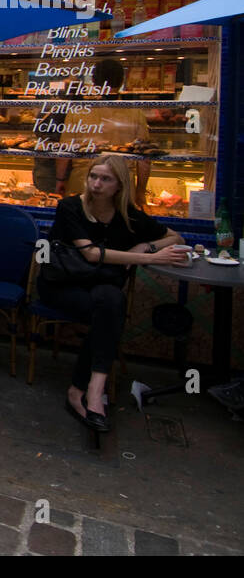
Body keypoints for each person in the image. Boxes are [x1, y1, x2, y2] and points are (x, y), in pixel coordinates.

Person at [41, 154, 186, 433]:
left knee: (109, 302)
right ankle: (88, 392)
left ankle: (87, 390)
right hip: (62, 286)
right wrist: (152, 259)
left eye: (105, 179)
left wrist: (145, 247)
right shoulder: (70, 207)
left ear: (119, 185)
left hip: (101, 289)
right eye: (93, 177)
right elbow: (92, 254)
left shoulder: (129, 216)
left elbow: (175, 237)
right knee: (110, 307)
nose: (96, 184)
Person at [53, 58, 149, 204]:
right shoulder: (136, 112)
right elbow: (144, 159)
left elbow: (65, 150)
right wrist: (141, 191)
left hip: (83, 181)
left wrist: (60, 179)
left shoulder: (78, 110)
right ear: (122, 80)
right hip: (121, 185)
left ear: (93, 80)